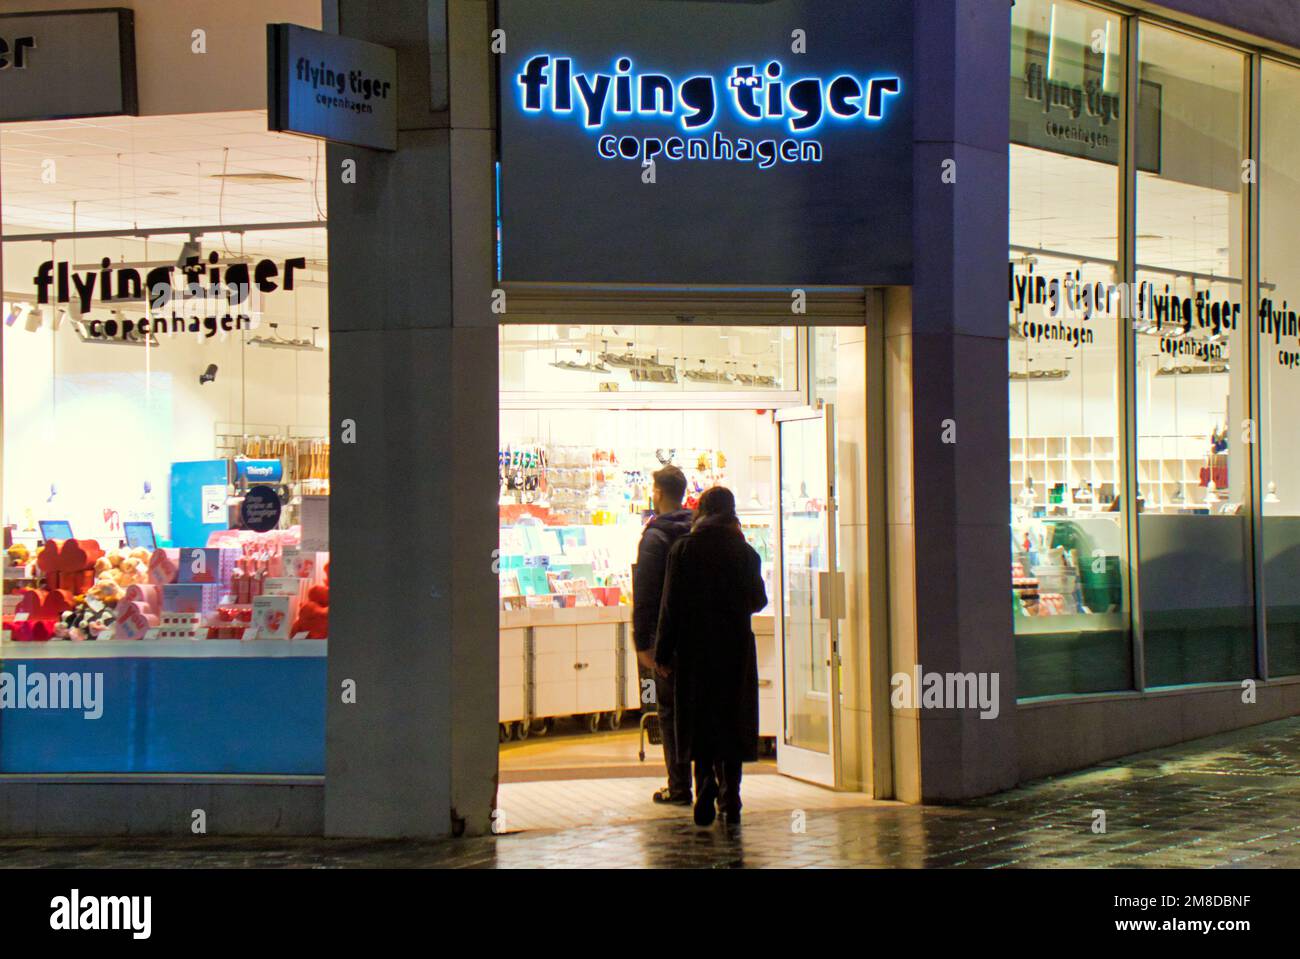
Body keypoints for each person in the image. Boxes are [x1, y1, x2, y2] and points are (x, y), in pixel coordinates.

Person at [654, 486, 767, 827]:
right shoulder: (745, 553)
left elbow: (669, 606)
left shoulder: (684, 549)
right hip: (734, 650)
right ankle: (730, 794)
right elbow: (758, 600)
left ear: (701, 511)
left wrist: (662, 652)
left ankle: (704, 787)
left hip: (695, 650)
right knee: (731, 719)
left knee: (701, 719)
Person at [631, 464, 694, 806]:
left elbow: (646, 594)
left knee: (670, 711)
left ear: (657, 493)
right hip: (699, 639)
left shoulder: (655, 537)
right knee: (700, 711)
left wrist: (644, 644)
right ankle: (711, 783)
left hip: (668, 642)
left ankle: (680, 785)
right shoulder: (696, 531)